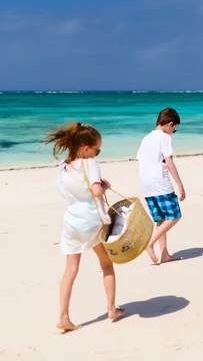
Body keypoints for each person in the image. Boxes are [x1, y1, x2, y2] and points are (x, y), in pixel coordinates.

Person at [42, 122, 125, 332]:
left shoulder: (63, 166)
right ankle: (111, 309)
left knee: (70, 270)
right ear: (85, 148)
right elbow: (97, 192)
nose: (97, 154)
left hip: (71, 221)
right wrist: (105, 185)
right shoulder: (90, 164)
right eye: (97, 150)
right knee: (106, 264)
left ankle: (63, 317)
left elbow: (65, 191)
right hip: (92, 222)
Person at [136, 107, 186, 264]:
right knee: (174, 216)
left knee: (161, 220)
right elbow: (169, 161)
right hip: (160, 183)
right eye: (174, 130)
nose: (173, 133)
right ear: (170, 124)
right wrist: (180, 185)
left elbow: (142, 161)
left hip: (147, 185)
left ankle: (164, 255)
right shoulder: (164, 138)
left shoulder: (146, 138)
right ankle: (149, 244)